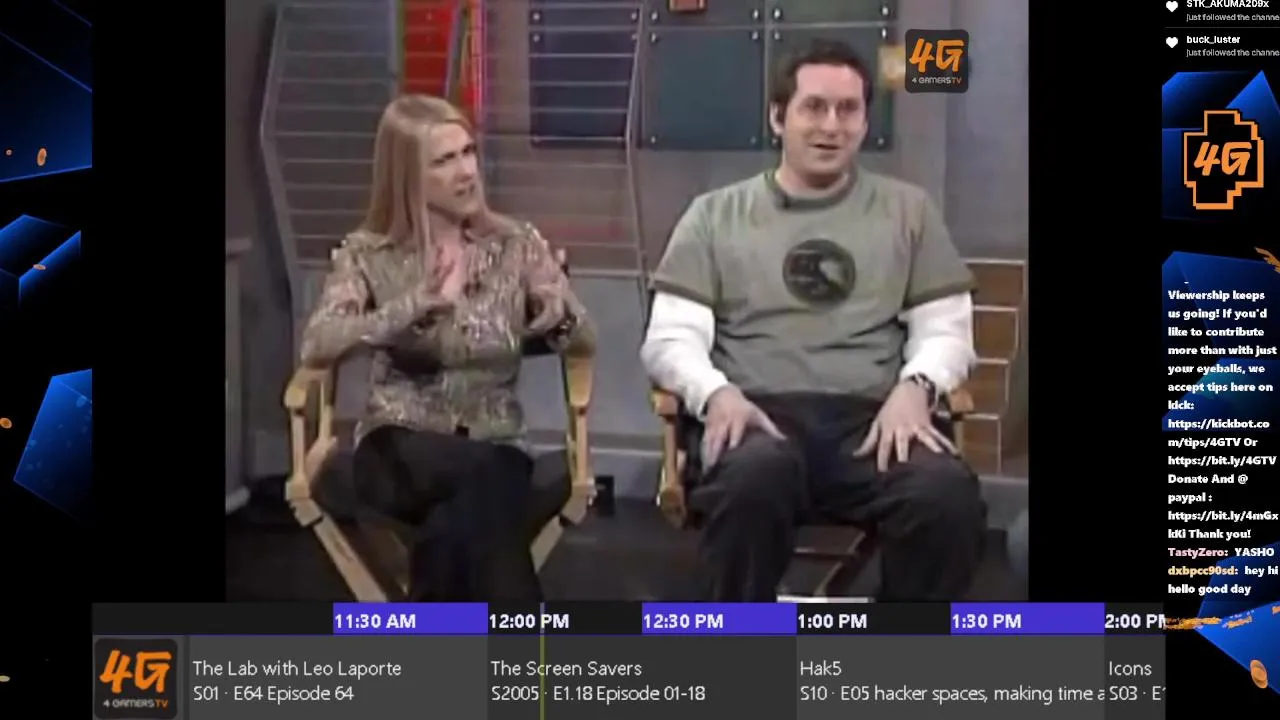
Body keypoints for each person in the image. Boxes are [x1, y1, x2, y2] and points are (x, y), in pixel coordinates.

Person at [641, 40, 986, 602]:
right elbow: (670, 339)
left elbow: (947, 329)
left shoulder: (909, 211)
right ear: (778, 117)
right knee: (751, 482)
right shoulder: (714, 215)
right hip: (757, 416)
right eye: (814, 107)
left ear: (865, 122)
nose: (831, 125)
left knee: (943, 497)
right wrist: (715, 395)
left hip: (874, 421)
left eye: (848, 110)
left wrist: (917, 388)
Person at [299, 95, 595, 601]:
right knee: (487, 484)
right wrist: (414, 305)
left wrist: (558, 312)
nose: (467, 172)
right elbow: (318, 344)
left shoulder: (516, 245)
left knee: (466, 510)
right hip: (399, 447)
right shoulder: (369, 254)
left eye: (468, 152)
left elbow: (585, 341)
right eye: (444, 160)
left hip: (497, 442)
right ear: (407, 175)